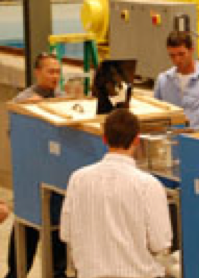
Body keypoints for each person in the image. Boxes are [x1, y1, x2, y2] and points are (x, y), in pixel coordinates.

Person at [60, 109, 173, 278]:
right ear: (136, 140)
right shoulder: (148, 185)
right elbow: (160, 243)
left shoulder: (78, 179)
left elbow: (66, 233)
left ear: (104, 139)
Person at [5, 52, 67, 278]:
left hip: (56, 181)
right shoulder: (24, 100)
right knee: (25, 240)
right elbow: (14, 136)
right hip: (31, 182)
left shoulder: (63, 98)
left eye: (58, 71)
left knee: (58, 247)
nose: (55, 77)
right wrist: (28, 110)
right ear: (37, 72)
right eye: (51, 71)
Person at [154, 31, 199, 130]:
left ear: (191, 50)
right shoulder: (163, 81)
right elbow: (157, 117)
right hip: (171, 141)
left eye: (181, 54)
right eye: (172, 55)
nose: (177, 59)